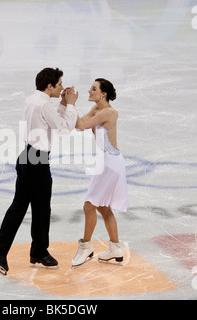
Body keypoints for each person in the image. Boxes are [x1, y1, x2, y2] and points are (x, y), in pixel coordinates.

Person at [0, 67, 79, 275]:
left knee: (22, 206)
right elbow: (63, 128)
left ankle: (29, 251)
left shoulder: (34, 99)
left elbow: (51, 119)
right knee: (40, 207)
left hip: (27, 155)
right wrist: (70, 104)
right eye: (60, 84)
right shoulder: (44, 104)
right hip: (37, 160)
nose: (62, 87)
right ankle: (19, 251)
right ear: (49, 85)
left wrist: (62, 103)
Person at [71, 78, 130, 267]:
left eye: (94, 89)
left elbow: (80, 125)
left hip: (110, 164)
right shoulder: (96, 109)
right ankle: (115, 248)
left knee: (89, 206)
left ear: (103, 93)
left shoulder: (109, 113)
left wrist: (71, 104)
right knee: (103, 208)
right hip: (104, 162)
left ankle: (86, 246)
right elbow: (78, 123)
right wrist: (66, 107)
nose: (90, 91)